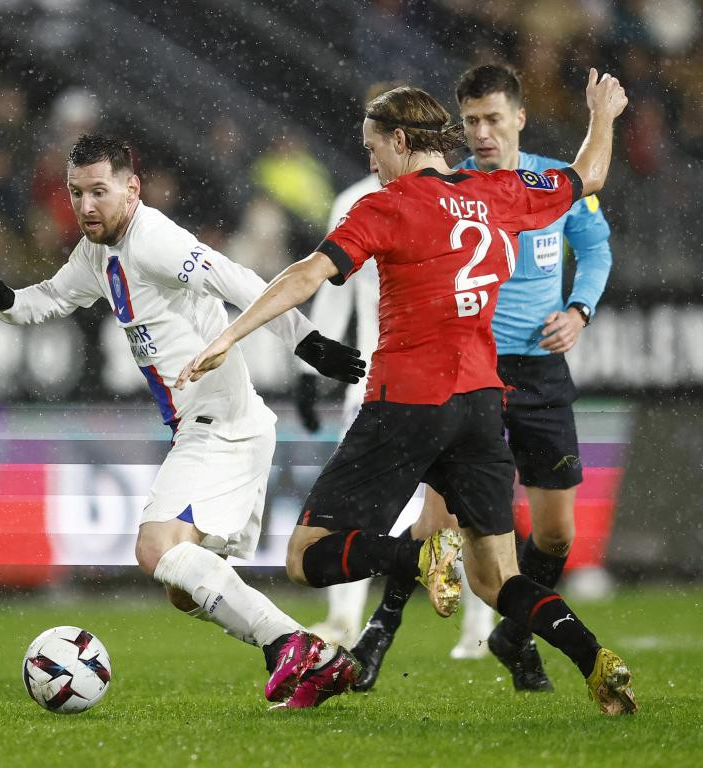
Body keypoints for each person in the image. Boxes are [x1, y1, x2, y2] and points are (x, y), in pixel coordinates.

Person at [178, 70, 636, 715]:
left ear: (399, 140)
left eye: (372, 150)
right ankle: (596, 659)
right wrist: (603, 116)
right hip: (481, 401)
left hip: (406, 400)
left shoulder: (386, 206)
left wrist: (233, 335)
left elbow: (309, 273)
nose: (371, 163)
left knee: (306, 557)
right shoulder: (499, 189)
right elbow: (586, 175)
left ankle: (420, 555)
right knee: (497, 577)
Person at [0, 134, 369, 709]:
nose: (86, 207)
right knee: (184, 587)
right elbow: (53, 298)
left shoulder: (153, 239)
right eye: (76, 193)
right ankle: (314, 658)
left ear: (132, 189)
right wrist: (8, 301)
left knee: (156, 550)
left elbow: (235, 278)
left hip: (219, 424)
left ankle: (291, 645)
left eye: (99, 192)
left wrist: (305, 341)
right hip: (221, 425)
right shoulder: (95, 252)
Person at [350, 63, 615, 693]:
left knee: (556, 533)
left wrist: (579, 309)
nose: (483, 133)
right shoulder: (453, 187)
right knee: (435, 519)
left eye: (494, 119)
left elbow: (598, 248)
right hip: (471, 368)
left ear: (519, 117)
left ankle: (514, 636)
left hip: (542, 371)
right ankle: (377, 636)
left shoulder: (551, 181)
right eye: (470, 121)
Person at [298, 153, 496, 661]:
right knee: (352, 512)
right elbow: (334, 289)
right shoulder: (357, 202)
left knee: (457, 510)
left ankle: (479, 622)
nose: (372, 152)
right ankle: (344, 618)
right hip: (373, 381)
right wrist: (309, 372)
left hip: (432, 387)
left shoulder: (455, 200)